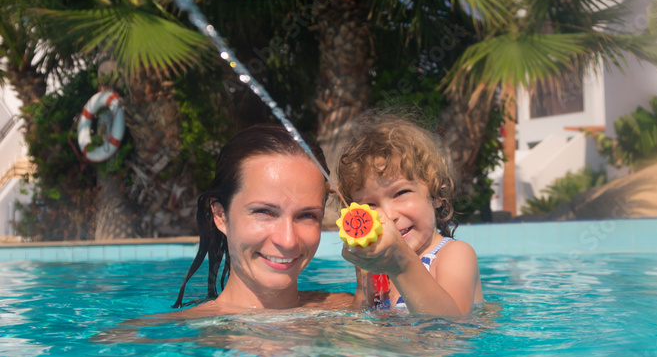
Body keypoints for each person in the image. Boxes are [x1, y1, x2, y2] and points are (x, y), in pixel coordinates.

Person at [173, 123, 359, 315]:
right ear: (220, 216)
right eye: (264, 212)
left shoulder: (359, 307)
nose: (288, 241)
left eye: (306, 215)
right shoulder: (173, 335)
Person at [337, 110, 484, 318]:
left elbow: (452, 328)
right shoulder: (379, 268)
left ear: (435, 193)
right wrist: (364, 285)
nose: (387, 215)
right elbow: (364, 322)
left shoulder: (455, 254)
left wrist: (402, 263)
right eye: (370, 205)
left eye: (401, 193)